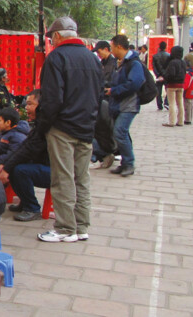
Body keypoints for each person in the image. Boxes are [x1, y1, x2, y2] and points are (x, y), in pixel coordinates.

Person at [34, 17, 101, 242]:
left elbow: (52, 99)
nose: (52, 40)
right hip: (86, 126)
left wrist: (43, 125)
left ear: (58, 36)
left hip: (62, 127)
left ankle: (64, 228)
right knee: (81, 178)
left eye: (52, 37)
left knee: (63, 178)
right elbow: (98, 95)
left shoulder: (56, 58)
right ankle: (81, 226)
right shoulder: (92, 59)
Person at [0, 90, 52, 222]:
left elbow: (29, 150)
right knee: (14, 167)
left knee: (19, 170)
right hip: (42, 166)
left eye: (30, 104)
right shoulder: (39, 124)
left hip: (54, 171)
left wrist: (7, 167)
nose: (26, 107)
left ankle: (32, 208)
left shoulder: (46, 126)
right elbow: (24, 147)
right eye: (27, 104)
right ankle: (25, 202)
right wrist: (5, 164)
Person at [107, 34, 143, 178]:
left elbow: (134, 83)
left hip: (128, 105)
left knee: (119, 132)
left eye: (112, 47)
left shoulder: (134, 64)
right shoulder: (122, 63)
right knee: (122, 133)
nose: (111, 51)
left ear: (119, 47)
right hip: (119, 104)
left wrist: (114, 90)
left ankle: (129, 163)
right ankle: (124, 162)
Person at [92, 41, 117, 169]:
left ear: (106, 49)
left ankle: (111, 152)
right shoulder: (103, 63)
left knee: (105, 129)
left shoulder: (112, 64)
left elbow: (108, 81)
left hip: (107, 100)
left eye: (99, 51)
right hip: (101, 99)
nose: (98, 54)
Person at [159, 46, 188, 127]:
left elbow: (171, 74)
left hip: (172, 85)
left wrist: (165, 77)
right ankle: (181, 121)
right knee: (180, 103)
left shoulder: (172, 62)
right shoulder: (183, 62)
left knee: (171, 103)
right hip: (181, 84)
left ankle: (172, 121)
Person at [152, 41, 171, 110]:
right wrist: (166, 74)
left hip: (159, 76)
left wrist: (158, 75)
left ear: (159, 47)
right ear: (166, 47)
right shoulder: (169, 56)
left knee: (158, 91)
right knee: (168, 90)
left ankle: (159, 105)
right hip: (167, 76)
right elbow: (169, 67)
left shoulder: (155, 56)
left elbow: (154, 67)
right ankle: (167, 102)